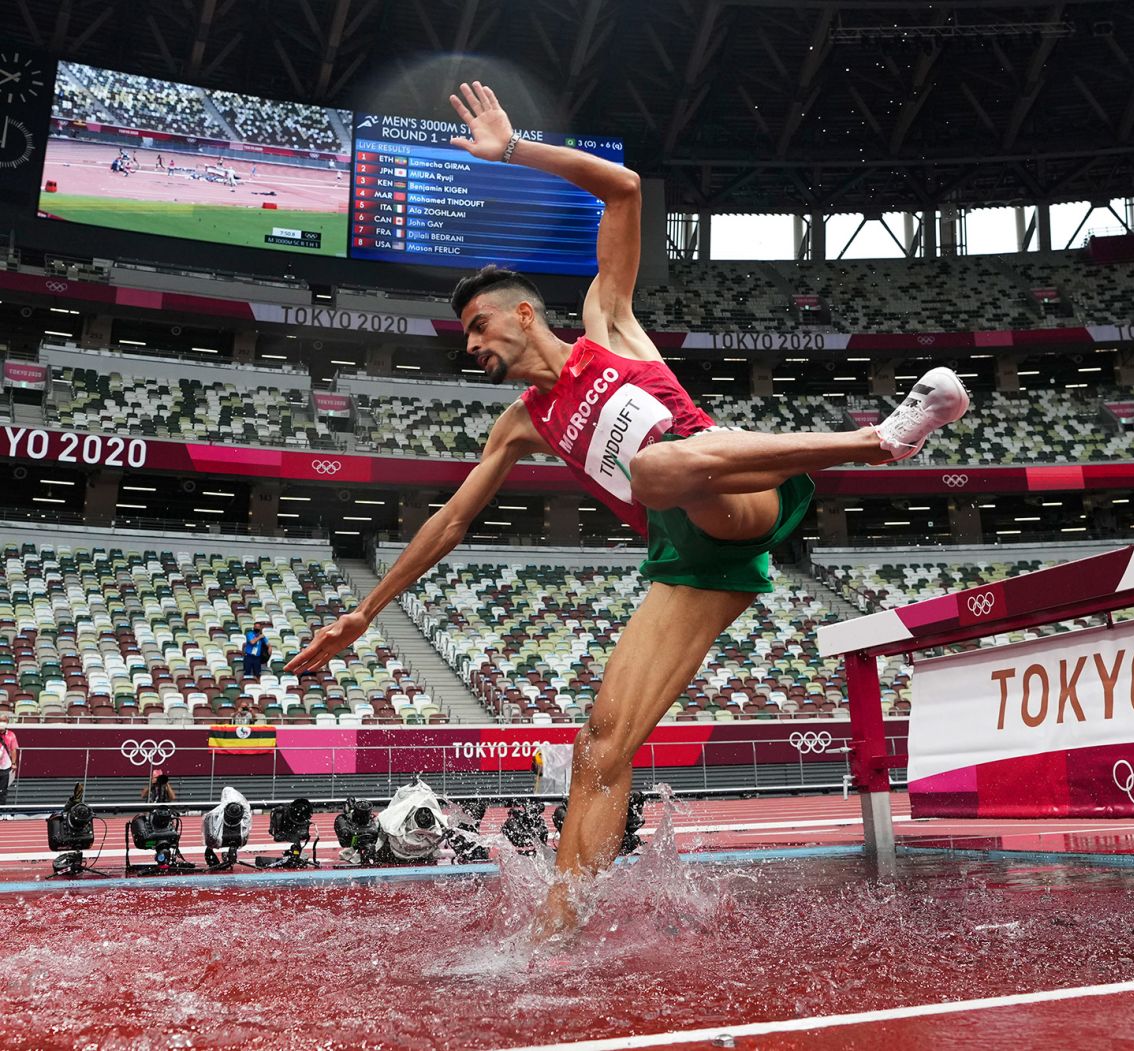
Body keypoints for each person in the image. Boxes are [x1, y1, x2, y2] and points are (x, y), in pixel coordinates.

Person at [285, 80, 969, 932]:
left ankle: (879, 440)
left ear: (522, 314)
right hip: (687, 556)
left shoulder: (605, 321)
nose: (472, 348)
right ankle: (556, 933)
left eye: (476, 329)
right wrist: (362, 613)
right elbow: (449, 522)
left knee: (651, 470)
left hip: (741, 497)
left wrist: (512, 152)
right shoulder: (520, 425)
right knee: (600, 747)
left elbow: (626, 189)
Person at [0, 719, 18, 809]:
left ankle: (1, 811)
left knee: (3, 790)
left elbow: (13, 749)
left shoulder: (11, 735)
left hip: (5, 767)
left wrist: (14, 763)